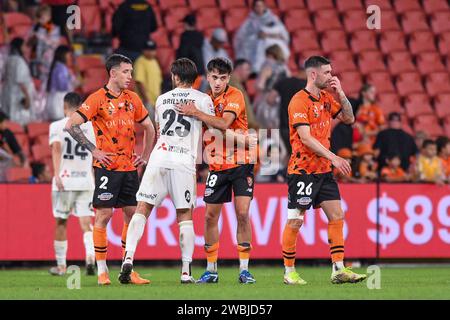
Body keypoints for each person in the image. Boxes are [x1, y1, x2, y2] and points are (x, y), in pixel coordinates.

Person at [119, 58, 215, 284]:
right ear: (194, 78)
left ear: (175, 76)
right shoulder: (203, 99)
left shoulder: (162, 100)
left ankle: (128, 257)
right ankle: (185, 270)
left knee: (142, 209)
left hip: (159, 157)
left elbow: (161, 131)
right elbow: (214, 128)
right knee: (184, 215)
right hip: (183, 161)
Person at [65, 54, 156, 285]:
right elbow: (71, 125)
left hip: (128, 169)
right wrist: (94, 150)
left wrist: (144, 157)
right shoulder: (96, 99)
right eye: (126, 72)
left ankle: (128, 267)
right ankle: (102, 271)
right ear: (113, 73)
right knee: (104, 215)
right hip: (106, 168)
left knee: (132, 216)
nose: (130, 77)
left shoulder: (133, 98)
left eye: (131, 72)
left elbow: (149, 127)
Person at [282, 56, 366, 285]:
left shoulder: (328, 98)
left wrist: (342, 94)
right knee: (296, 220)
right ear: (313, 74)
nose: (331, 76)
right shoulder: (299, 101)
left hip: (323, 171)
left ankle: (338, 269)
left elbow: (350, 118)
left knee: (337, 215)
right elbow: (306, 138)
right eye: (327, 72)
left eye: (331, 72)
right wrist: (334, 157)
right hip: (302, 170)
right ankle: (289, 272)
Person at [176, 58, 257, 284]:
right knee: (211, 216)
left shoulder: (235, 95)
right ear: (207, 77)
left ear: (228, 78)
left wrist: (197, 113)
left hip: (241, 163)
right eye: (214, 77)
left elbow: (223, 123)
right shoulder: (203, 100)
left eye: (222, 78)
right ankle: (211, 269)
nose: (218, 82)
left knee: (242, 213)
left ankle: (244, 269)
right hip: (216, 166)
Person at [48, 92, 96, 276]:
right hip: (85, 180)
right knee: (86, 222)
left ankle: (61, 266)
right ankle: (90, 257)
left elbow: (57, 149)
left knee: (61, 221)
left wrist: (56, 175)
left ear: (65, 106)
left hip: (65, 181)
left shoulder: (57, 126)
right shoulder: (90, 126)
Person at [234, 0, 289, 73]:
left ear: (264, 7)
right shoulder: (249, 22)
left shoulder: (274, 19)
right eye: (257, 6)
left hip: (274, 48)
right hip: (255, 49)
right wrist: (257, 36)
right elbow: (241, 38)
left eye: (261, 6)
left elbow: (283, 35)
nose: (259, 8)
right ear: (253, 8)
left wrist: (269, 35)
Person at [1, 37, 36, 126]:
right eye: (24, 45)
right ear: (19, 47)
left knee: (9, 118)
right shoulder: (19, 61)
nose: (25, 47)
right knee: (20, 122)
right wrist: (27, 98)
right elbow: (21, 82)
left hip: (8, 93)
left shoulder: (8, 60)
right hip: (19, 95)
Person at [273, 68, 307, 155]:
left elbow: (270, 98)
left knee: (286, 155)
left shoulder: (284, 82)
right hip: (298, 127)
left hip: (283, 126)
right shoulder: (306, 86)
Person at [28, 4, 61, 82]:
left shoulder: (54, 29)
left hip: (48, 60)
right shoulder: (35, 28)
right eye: (39, 18)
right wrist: (33, 38)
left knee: (46, 80)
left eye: (42, 18)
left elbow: (55, 44)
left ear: (49, 17)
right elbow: (28, 43)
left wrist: (42, 38)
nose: (40, 20)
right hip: (35, 58)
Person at [46, 45, 78, 121]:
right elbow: (62, 86)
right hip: (59, 103)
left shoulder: (57, 66)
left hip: (55, 101)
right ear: (63, 55)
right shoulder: (61, 68)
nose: (70, 57)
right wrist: (75, 83)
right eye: (68, 55)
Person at [133, 40, 162, 124]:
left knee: (156, 128)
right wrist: (146, 101)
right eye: (147, 50)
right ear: (143, 50)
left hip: (155, 101)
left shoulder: (154, 61)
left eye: (152, 50)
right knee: (149, 128)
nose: (150, 52)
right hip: (145, 101)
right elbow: (139, 82)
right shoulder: (140, 61)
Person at [229, 59, 260, 130]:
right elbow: (244, 109)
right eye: (247, 69)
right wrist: (253, 125)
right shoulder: (234, 85)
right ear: (238, 69)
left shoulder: (232, 83)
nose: (249, 73)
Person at [0, 111, 26, 182]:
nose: (6, 124)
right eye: (4, 122)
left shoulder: (6, 132)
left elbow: (5, 146)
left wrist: (12, 157)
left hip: (15, 155)